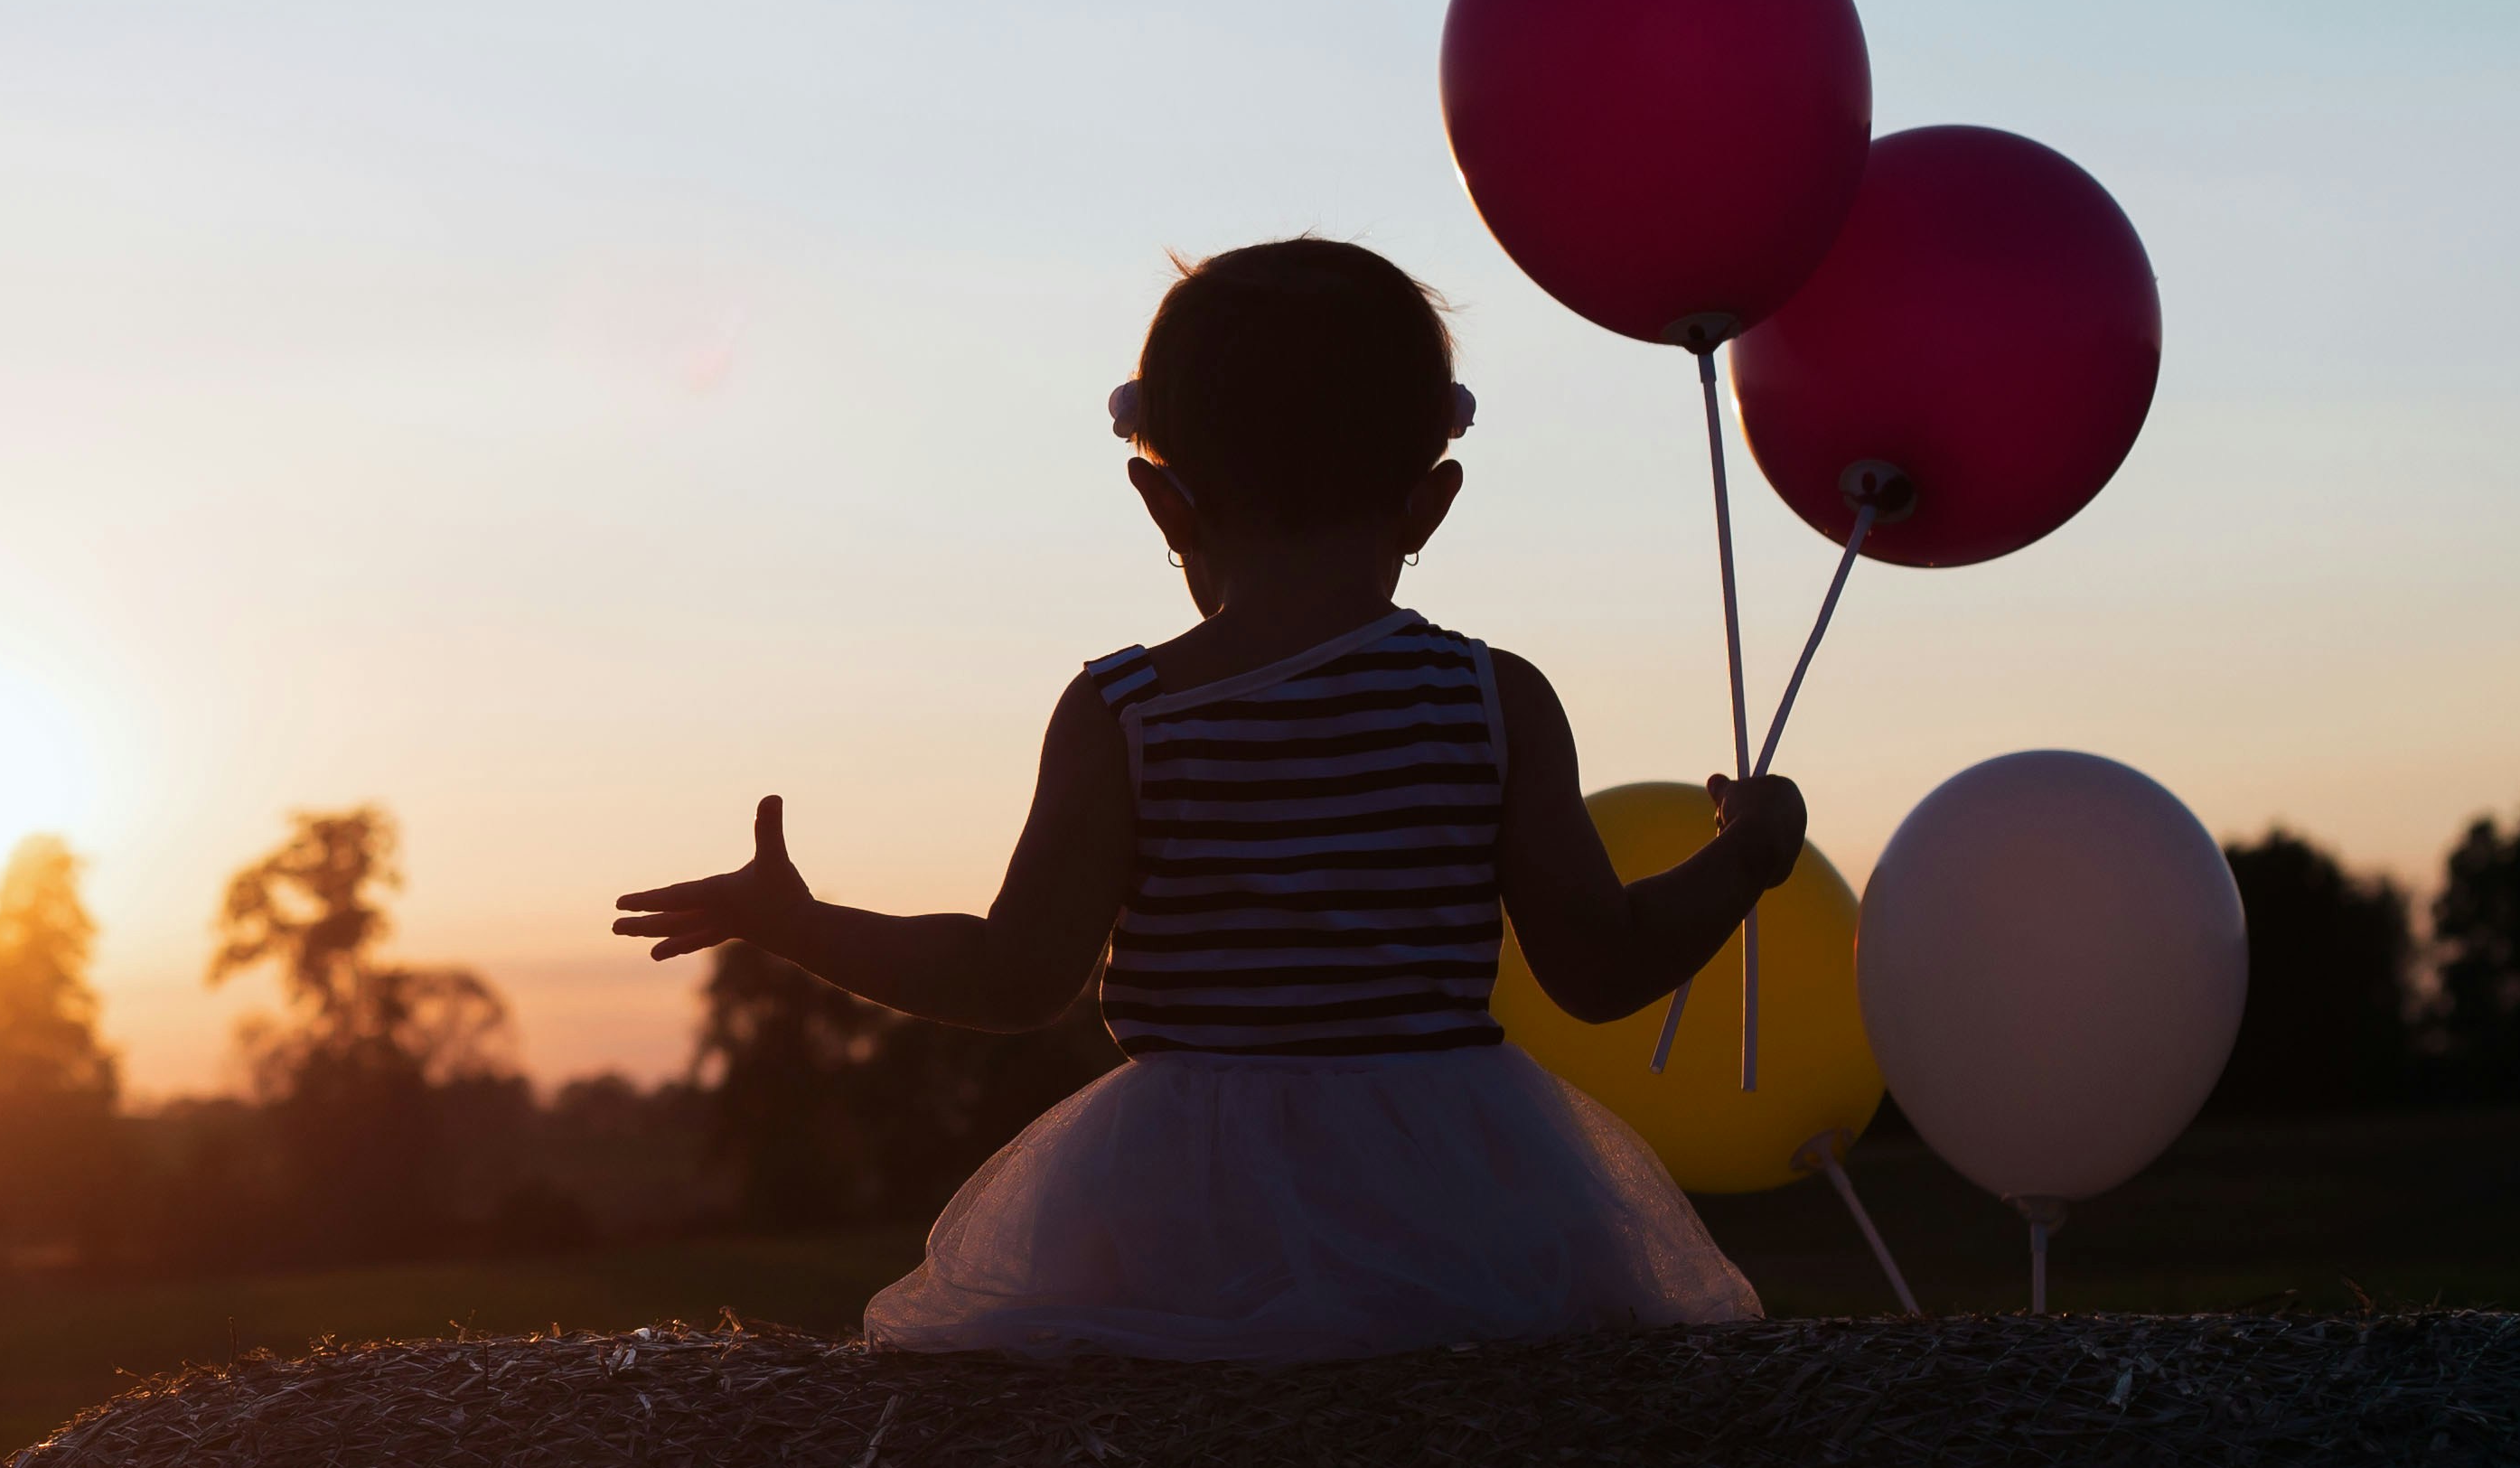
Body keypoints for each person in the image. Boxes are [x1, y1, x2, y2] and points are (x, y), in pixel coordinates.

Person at [612, 237, 1782, 1361]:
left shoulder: (1125, 714)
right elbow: (1599, 969)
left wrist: (795, 924)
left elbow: (1015, 979)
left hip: (1185, 1213)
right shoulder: (1493, 701)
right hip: (1461, 1202)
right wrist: (1744, 860)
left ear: (1164, 505)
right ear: (1431, 502)